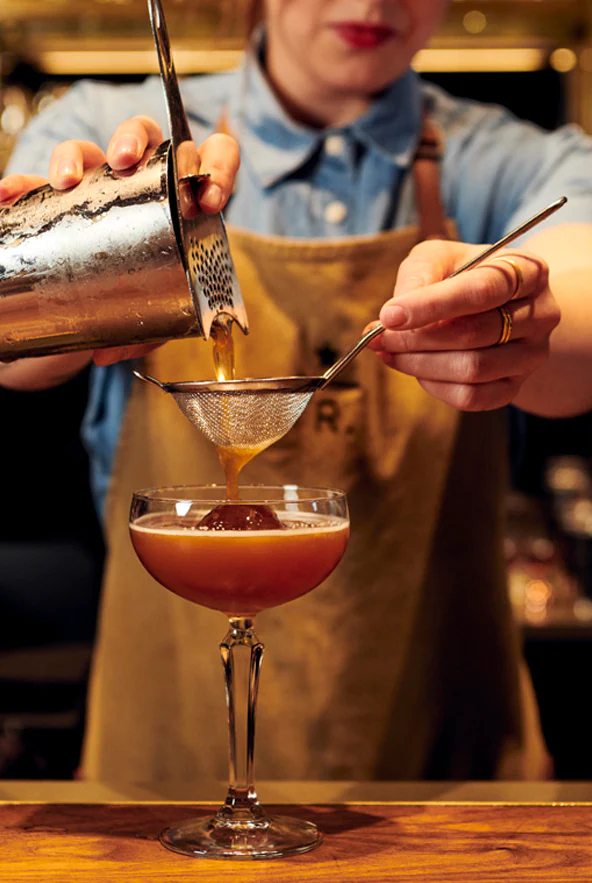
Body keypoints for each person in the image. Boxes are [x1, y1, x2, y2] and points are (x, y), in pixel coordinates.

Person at [2, 0, 592, 787]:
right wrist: (88, 247)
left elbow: (579, 299)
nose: (374, 2)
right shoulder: (117, 128)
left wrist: (517, 312)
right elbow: (13, 349)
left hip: (441, 774)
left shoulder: (503, 159)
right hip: (164, 772)